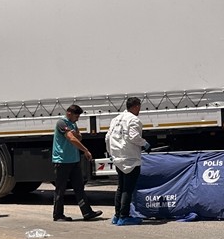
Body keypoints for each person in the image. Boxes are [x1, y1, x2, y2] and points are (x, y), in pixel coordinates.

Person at [52, 104, 102, 222]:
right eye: (76, 116)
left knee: (79, 187)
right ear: (69, 113)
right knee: (61, 188)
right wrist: (85, 150)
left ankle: (87, 212)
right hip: (62, 161)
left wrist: (75, 134)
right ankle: (58, 215)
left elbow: (79, 137)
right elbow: (72, 138)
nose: (78, 119)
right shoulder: (61, 123)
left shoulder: (73, 124)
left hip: (74, 160)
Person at [107, 96, 150, 226]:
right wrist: (145, 143)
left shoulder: (116, 119)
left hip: (118, 158)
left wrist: (110, 152)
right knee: (128, 189)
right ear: (136, 106)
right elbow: (134, 137)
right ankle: (124, 216)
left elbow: (108, 137)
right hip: (130, 159)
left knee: (120, 187)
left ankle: (116, 215)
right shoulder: (133, 120)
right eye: (139, 107)